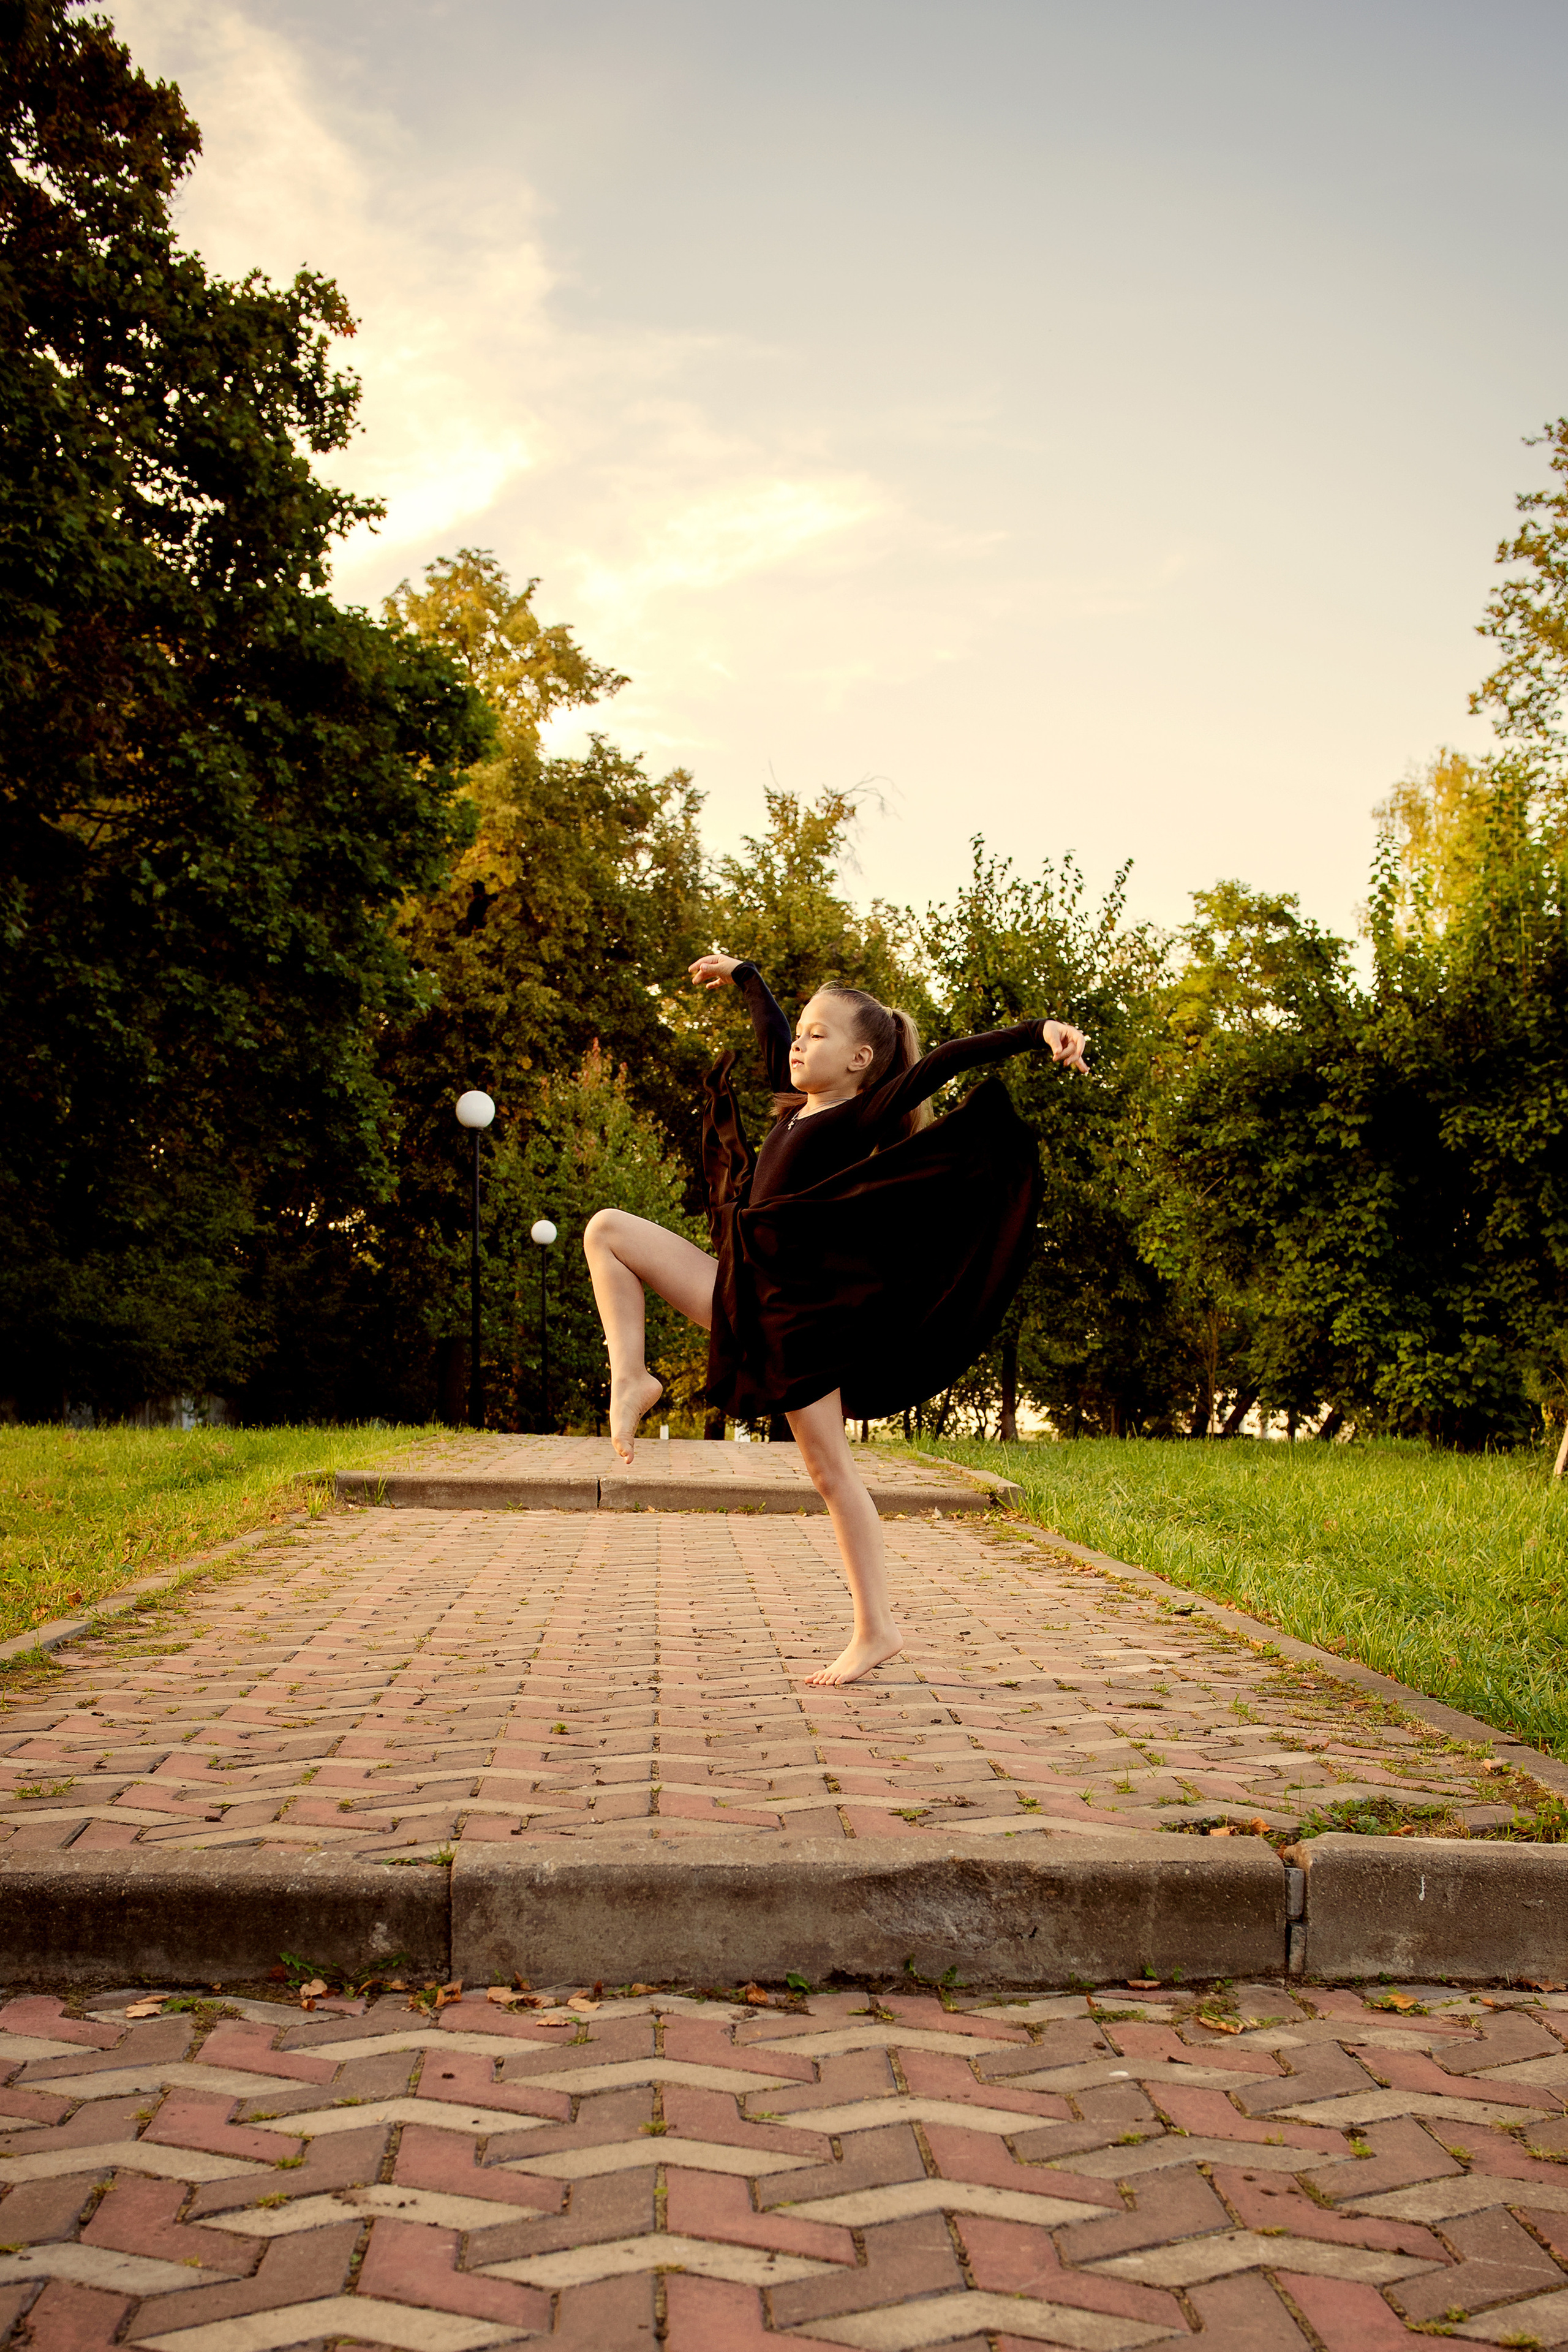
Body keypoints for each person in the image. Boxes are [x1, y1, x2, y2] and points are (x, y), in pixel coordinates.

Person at [584, 954, 1088, 1686]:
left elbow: (941, 1063)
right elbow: (771, 1035)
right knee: (607, 1230)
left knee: (829, 1472)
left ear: (859, 1060)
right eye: (799, 1034)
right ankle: (631, 1376)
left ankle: (876, 1628)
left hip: (799, 1324)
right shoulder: (794, 1112)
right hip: (740, 1293)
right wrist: (746, 976)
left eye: (817, 1036)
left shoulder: (860, 1117)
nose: (797, 1045)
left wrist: (1036, 1030)